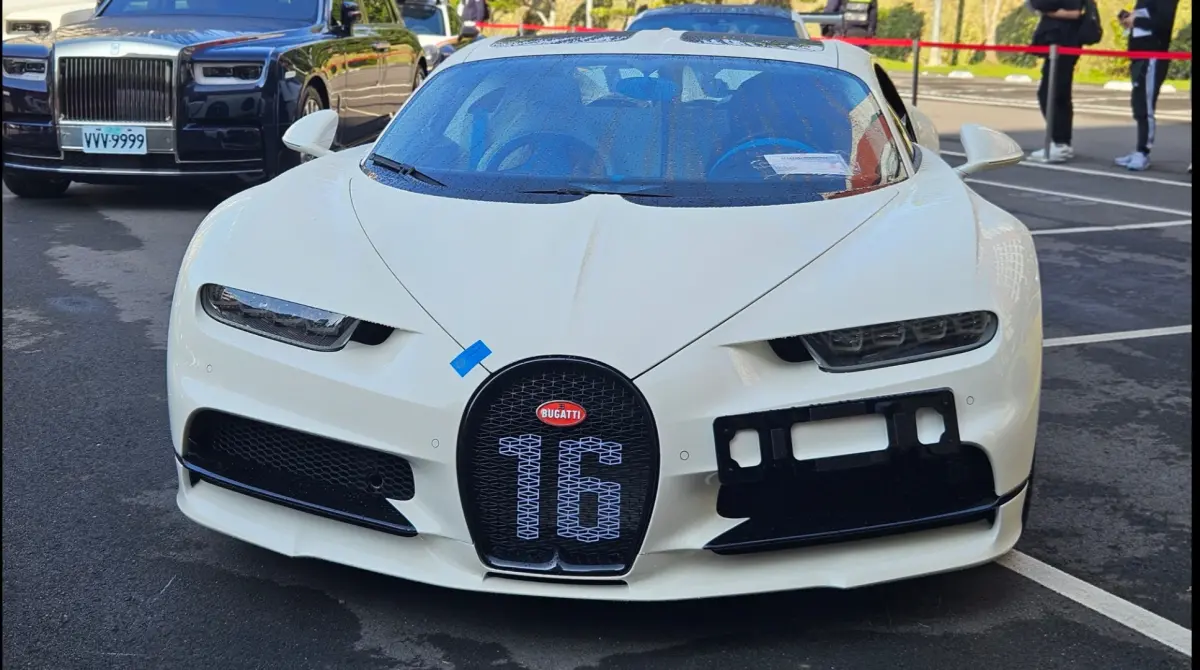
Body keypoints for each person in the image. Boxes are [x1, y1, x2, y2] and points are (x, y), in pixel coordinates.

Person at [1114, 0, 1180, 172]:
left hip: (1153, 56)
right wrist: (1129, 19)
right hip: (1139, 55)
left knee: (1146, 105)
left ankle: (1143, 152)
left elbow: (1163, 24)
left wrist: (1136, 20)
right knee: (1138, 104)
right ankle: (1139, 148)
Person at [1026, 0, 1085, 163]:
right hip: (1059, 42)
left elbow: (1075, 13)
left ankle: (1060, 142)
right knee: (1056, 93)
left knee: (1052, 93)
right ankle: (1062, 142)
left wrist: (1046, 10)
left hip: (1064, 43)